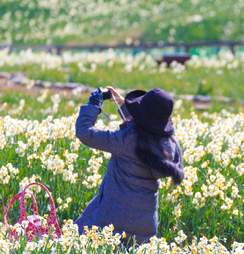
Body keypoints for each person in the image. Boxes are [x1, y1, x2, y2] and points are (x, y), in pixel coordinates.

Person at [74, 86, 184, 245]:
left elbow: (84, 132)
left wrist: (93, 105)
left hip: (111, 223)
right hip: (145, 230)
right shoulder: (169, 146)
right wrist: (122, 104)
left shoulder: (125, 140)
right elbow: (145, 128)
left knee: (76, 240)